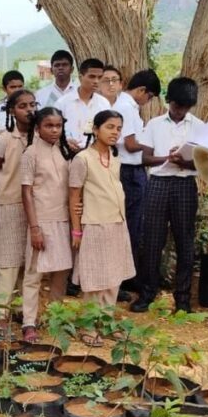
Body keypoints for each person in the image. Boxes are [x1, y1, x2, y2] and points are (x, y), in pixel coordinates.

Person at [132, 77, 203, 313]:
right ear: (168, 101)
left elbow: (204, 162)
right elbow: (145, 158)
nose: (180, 111)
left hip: (185, 184)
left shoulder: (199, 126)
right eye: (176, 106)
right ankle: (147, 293)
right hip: (158, 183)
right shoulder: (154, 124)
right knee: (152, 240)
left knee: (185, 241)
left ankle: (182, 299)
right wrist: (168, 159)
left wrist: (184, 162)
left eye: (185, 107)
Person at [68, 110, 135, 347]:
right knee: (94, 277)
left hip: (116, 223)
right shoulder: (82, 159)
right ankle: (88, 326)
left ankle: (106, 323)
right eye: (109, 127)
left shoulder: (115, 159)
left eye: (118, 128)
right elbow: (74, 196)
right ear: (95, 130)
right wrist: (76, 231)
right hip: (94, 224)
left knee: (113, 277)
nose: (115, 132)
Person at [21, 107, 73, 342]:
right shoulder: (31, 153)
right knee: (34, 274)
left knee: (61, 272)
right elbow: (26, 192)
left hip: (63, 219)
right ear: (38, 128)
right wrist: (34, 228)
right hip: (41, 220)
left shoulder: (64, 150)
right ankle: (29, 322)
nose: (54, 130)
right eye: (49, 126)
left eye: (58, 126)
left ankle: (55, 318)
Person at [0, 90, 37, 309]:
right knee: (8, 261)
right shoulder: (5, 139)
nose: (29, 110)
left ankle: (21, 310)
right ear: (11, 111)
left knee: (28, 261)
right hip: (10, 204)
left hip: (36, 207)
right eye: (22, 106)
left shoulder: (41, 138)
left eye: (32, 105)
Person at [117, 70, 162, 290]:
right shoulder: (126, 107)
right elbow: (131, 144)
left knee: (134, 224)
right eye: (150, 97)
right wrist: (156, 147)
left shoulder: (127, 106)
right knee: (131, 225)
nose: (148, 101)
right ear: (142, 90)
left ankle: (128, 275)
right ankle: (126, 278)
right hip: (129, 170)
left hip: (132, 169)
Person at [54, 58, 111, 151]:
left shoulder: (104, 103)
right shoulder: (62, 103)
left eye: (100, 77)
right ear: (81, 77)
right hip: (67, 153)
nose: (96, 81)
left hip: (95, 153)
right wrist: (64, 141)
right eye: (92, 76)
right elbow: (54, 130)